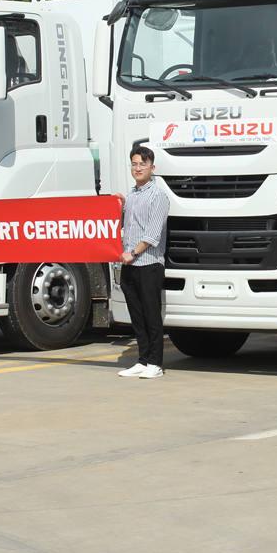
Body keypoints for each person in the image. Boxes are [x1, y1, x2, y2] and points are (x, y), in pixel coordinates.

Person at [115, 145, 170, 379]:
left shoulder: (158, 196)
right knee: (136, 316)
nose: (138, 168)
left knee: (151, 315)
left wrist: (133, 253)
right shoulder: (132, 196)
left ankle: (155, 364)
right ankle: (143, 360)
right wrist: (117, 206)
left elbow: (152, 234)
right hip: (130, 265)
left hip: (148, 263)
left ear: (152, 168)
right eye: (134, 164)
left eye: (142, 164)